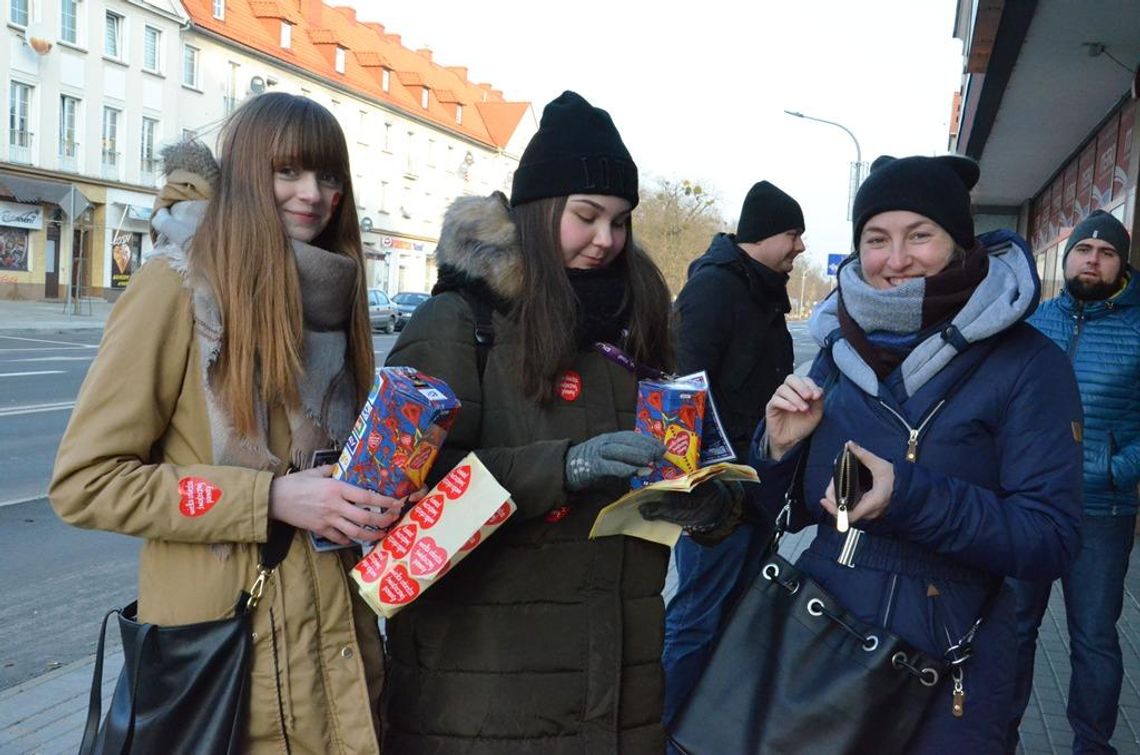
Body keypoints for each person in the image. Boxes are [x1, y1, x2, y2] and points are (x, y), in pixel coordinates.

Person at [382, 90, 740, 754]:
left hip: (617, 702)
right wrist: (564, 467)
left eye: (620, 220)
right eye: (586, 216)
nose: (605, 240)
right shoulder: (461, 323)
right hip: (478, 710)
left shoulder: (639, 328)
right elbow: (398, 524)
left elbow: (686, 471)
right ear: (539, 209)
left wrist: (706, 499)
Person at [49, 93, 407, 753]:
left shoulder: (332, 296)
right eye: (289, 172)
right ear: (246, 175)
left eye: (329, 177)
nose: (313, 194)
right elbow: (86, 480)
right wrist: (268, 497)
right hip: (227, 676)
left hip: (335, 662)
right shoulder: (177, 287)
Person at [752, 154, 1084, 752]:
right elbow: (785, 515)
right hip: (822, 637)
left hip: (951, 660)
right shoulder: (833, 353)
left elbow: (1052, 538)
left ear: (958, 243)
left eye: (919, 235)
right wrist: (776, 452)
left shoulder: (1030, 364)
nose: (895, 260)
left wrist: (908, 497)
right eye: (876, 239)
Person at [662, 180, 806, 724]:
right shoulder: (714, 290)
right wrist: (699, 488)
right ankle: (666, 728)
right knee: (697, 617)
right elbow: (680, 391)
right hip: (716, 494)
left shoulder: (763, 293)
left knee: (736, 616)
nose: (799, 247)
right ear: (766, 235)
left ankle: (703, 725)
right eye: (793, 235)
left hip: (757, 488)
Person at [1007, 210, 1139, 754]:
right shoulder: (1034, 322)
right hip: (1031, 506)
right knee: (1014, 629)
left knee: (1093, 639)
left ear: (1121, 264)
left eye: (1106, 253)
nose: (1093, 259)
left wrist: (1115, 469)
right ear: (1068, 260)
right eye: (1084, 250)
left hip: (1101, 513)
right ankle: (998, 732)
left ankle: (1092, 743)